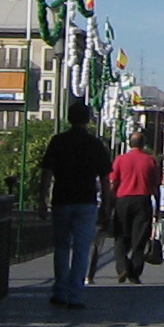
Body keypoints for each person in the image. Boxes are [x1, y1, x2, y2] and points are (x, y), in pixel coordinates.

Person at [40, 103, 111, 309]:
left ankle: (60, 291)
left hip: (62, 199)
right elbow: (105, 178)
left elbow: (47, 172)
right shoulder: (95, 144)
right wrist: (106, 204)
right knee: (81, 249)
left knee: (61, 247)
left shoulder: (58, 141)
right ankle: (76, 295)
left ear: (69, 118)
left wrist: (42, 200)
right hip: (87, 201)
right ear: (88, 120)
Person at [108, 130, 160, 283]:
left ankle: (122, 266)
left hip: (123, 200)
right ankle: (135, 271)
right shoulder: (150, 161)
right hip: (143, 200)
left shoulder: (120, 159)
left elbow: (113, 182)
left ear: (129, 144)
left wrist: (110, 202)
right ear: (143, 144)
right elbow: (155, 186)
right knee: (140, 237)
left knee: (120, 236)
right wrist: (157, 206)